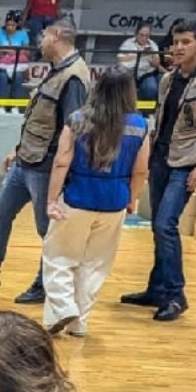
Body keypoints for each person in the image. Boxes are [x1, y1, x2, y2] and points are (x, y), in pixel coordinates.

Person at [0, 19, 89, 304]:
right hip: (26, 161)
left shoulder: (73, 77)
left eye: (44, 34)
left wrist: (61, 170)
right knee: (1, 214)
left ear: (57, 36)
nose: (40, 39)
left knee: (47, 230)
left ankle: (45, 284)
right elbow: (42, 120)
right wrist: (18, 148)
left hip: (45, 167)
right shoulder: (58, 72)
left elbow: (71, 130)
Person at [121, 20, 196, 322]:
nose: (179, 47)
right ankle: (157, 289)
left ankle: (176, 294)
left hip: (188, 163)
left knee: (166, 225)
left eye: (186, 42)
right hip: (161, 159)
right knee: (157, 223)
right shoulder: (168, 79)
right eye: (176, 42)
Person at [41, 69, 148, 338]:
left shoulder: (77, 120)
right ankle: (80, 323)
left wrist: (52, 199)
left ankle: (64, 307)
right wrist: (133, 199)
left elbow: (62, 160)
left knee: (58, 258)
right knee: (95, 265)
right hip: (115, 200)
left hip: (79, 196)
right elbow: (140, 170)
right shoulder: (139, 125)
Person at [0, 10, 30, 104]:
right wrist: (4, 50)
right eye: (7, 25)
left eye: (12, 25)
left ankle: (14, 106)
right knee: (2, 76)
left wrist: (15, 52)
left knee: (18, 76)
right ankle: (0, 105)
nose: (9, 27)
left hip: (16, 66)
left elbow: (27, 52)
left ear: (17, 24)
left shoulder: (23, 34)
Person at [117, 21, 162, 101]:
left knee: (151, 88)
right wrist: (139, 55)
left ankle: (142, 105)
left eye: (147, 36)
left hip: (146, 74)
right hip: (128, 74)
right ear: (136, 34)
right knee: (120, 88)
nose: (144, 38)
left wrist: (152, 57)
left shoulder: (153, 45)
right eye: (141, 35)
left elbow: (156, 64)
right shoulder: (127, 44)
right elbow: (119, 59)